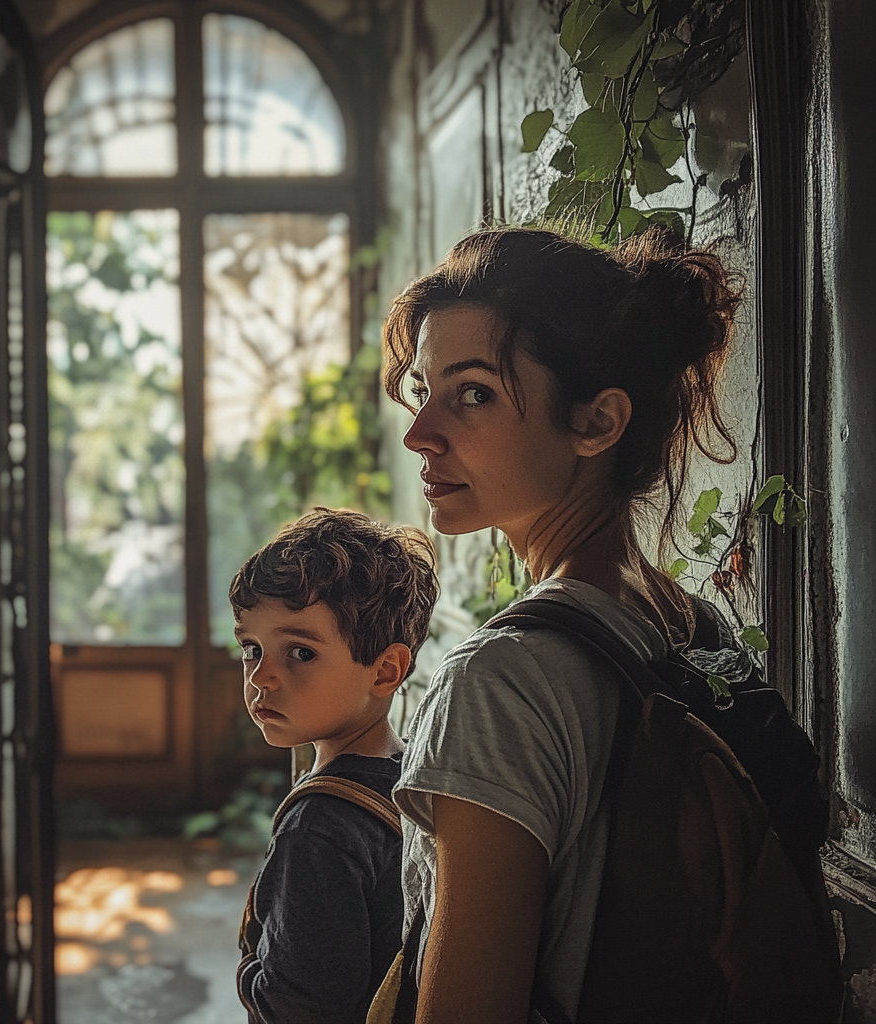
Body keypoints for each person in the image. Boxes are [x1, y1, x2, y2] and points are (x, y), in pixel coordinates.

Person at [383, 227, 743, 1024]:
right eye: (423, 390)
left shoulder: (501, 685)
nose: (420, 434)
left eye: (472, 393)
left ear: (596, 423)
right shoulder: (697, 630)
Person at [230, 508, 438, 1024]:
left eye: (300, 652)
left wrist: (248, 969)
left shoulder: (318, 828)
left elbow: (300, 1008)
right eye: (251, 648)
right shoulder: (412, 775)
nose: (262, 677)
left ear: (385, 670)